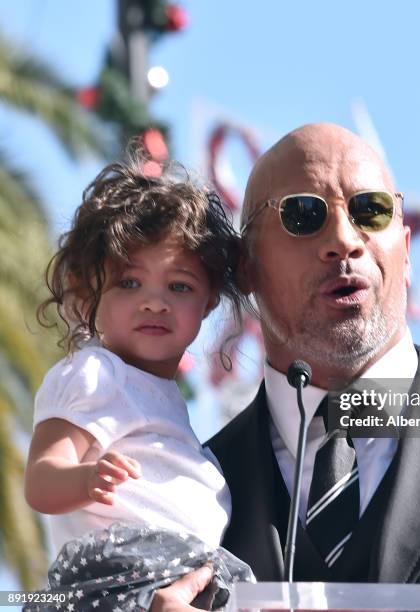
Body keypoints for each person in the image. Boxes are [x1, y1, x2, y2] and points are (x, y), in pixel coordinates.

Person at [155, 123, 420, 610]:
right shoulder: (175, 495)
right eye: (303, 214)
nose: (343, 240)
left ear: (407, 247)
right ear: (245, 264)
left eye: (370, 210)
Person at [25, 160, 253, 611]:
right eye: (129, 282)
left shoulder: (177, 419)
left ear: (208, 302)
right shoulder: (96, 373)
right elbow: (40, 481)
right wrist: (87, 479)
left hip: (182, 581)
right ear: (90, 294)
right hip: (117, 582)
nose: (154, 302)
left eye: (179, 286)